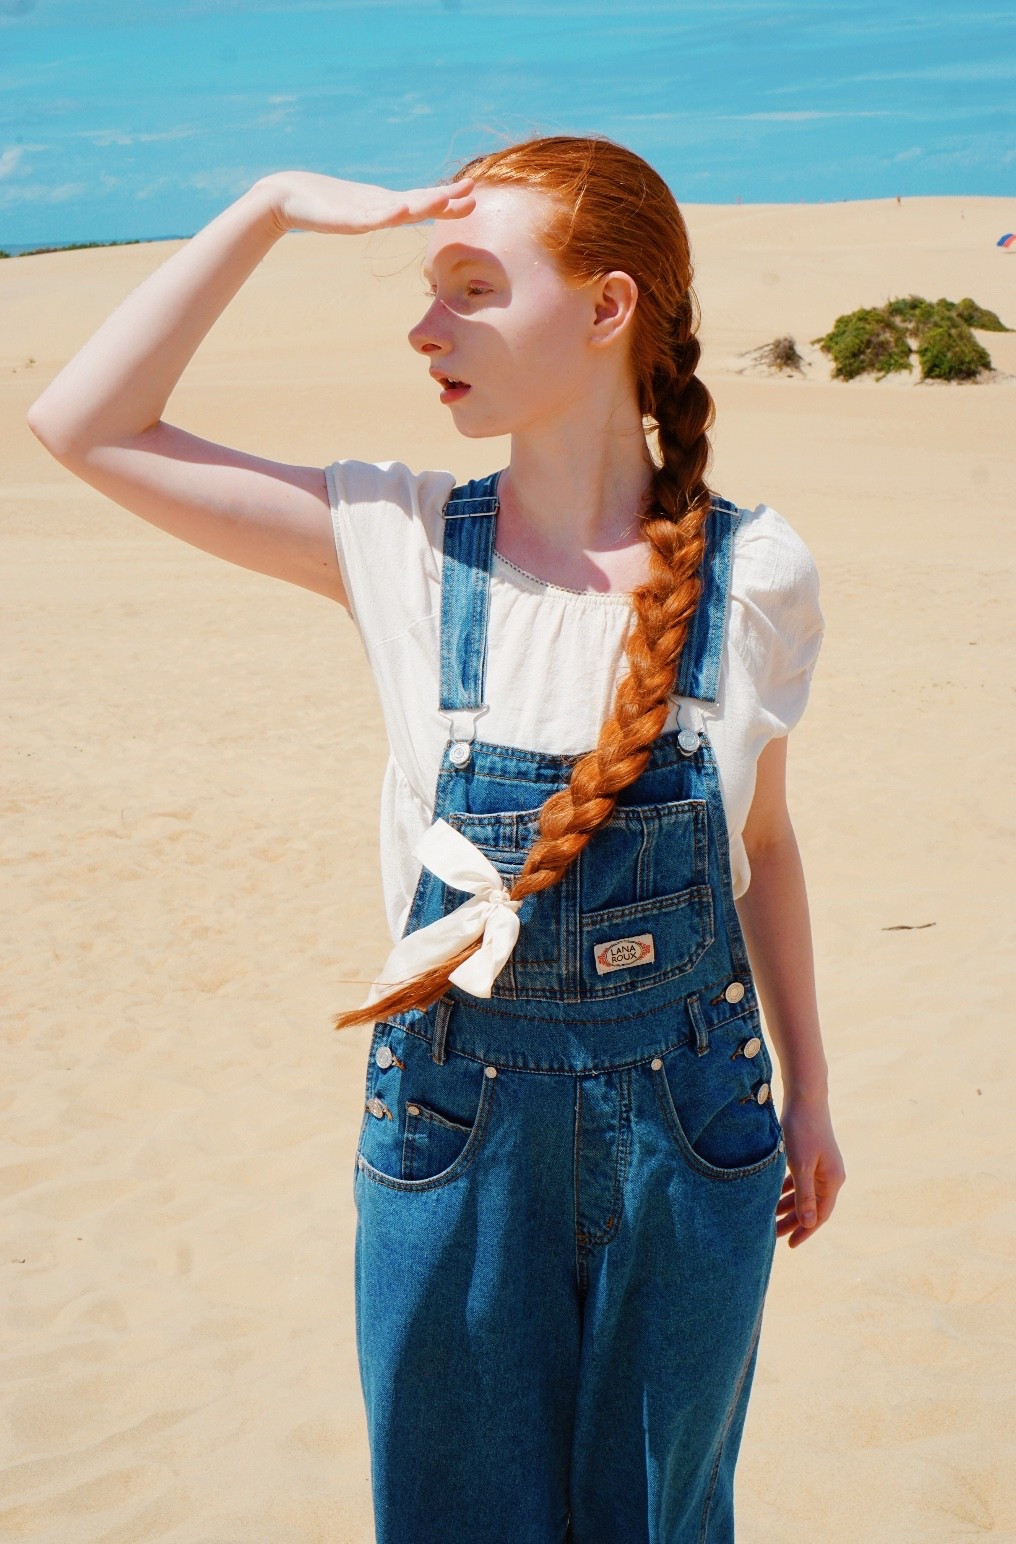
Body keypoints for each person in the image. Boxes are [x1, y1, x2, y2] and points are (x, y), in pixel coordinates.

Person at [26, 134, 846, 1543]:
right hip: (455, 1133)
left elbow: (761, 844)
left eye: (472, 288)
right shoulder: (397, 538)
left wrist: (812, 1094)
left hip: (701, 1128)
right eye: (425, 288)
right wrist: (271, 203)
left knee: (668, 1519)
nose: (424, 327)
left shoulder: (757, 572)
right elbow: (82, 423)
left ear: (607, 310)